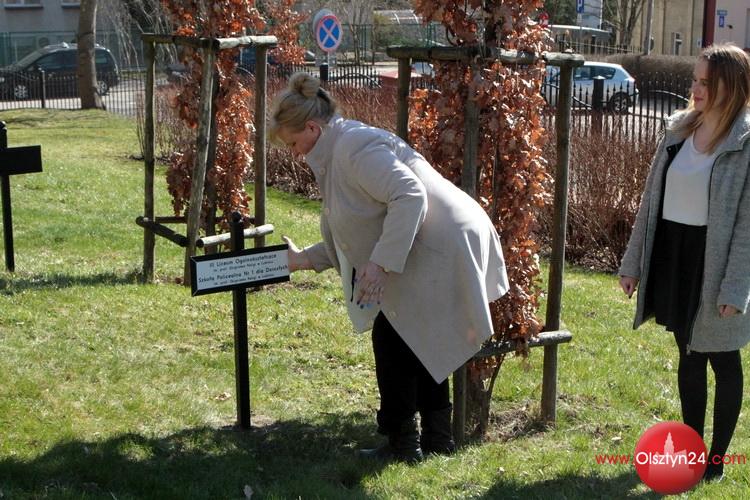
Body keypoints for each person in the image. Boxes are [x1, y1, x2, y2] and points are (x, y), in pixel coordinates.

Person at [269, 72, 509, 462]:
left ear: (312, 128)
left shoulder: (352, 148)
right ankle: (437, 441)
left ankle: (403, 444)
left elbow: (409, 195)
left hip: (443, 243)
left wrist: (380, 265)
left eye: (293, 143)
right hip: (435, 241)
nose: (295, 153)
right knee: (419, 336)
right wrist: (304, 260)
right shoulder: (338, 150)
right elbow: (359, 231)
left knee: (392, 338)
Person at [619, 43, 750, 482]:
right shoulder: (677, 130)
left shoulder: (746, 143)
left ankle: (718, 460)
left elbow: (748, 227)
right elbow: (650, 203)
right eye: (694, 80)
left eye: (706, 82)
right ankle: (692, 449)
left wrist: (735, 288)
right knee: (688, 353)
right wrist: (633, 263)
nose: (695, 89)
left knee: (724, 360)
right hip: (673, 254)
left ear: (731, 87)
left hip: (715, 262)